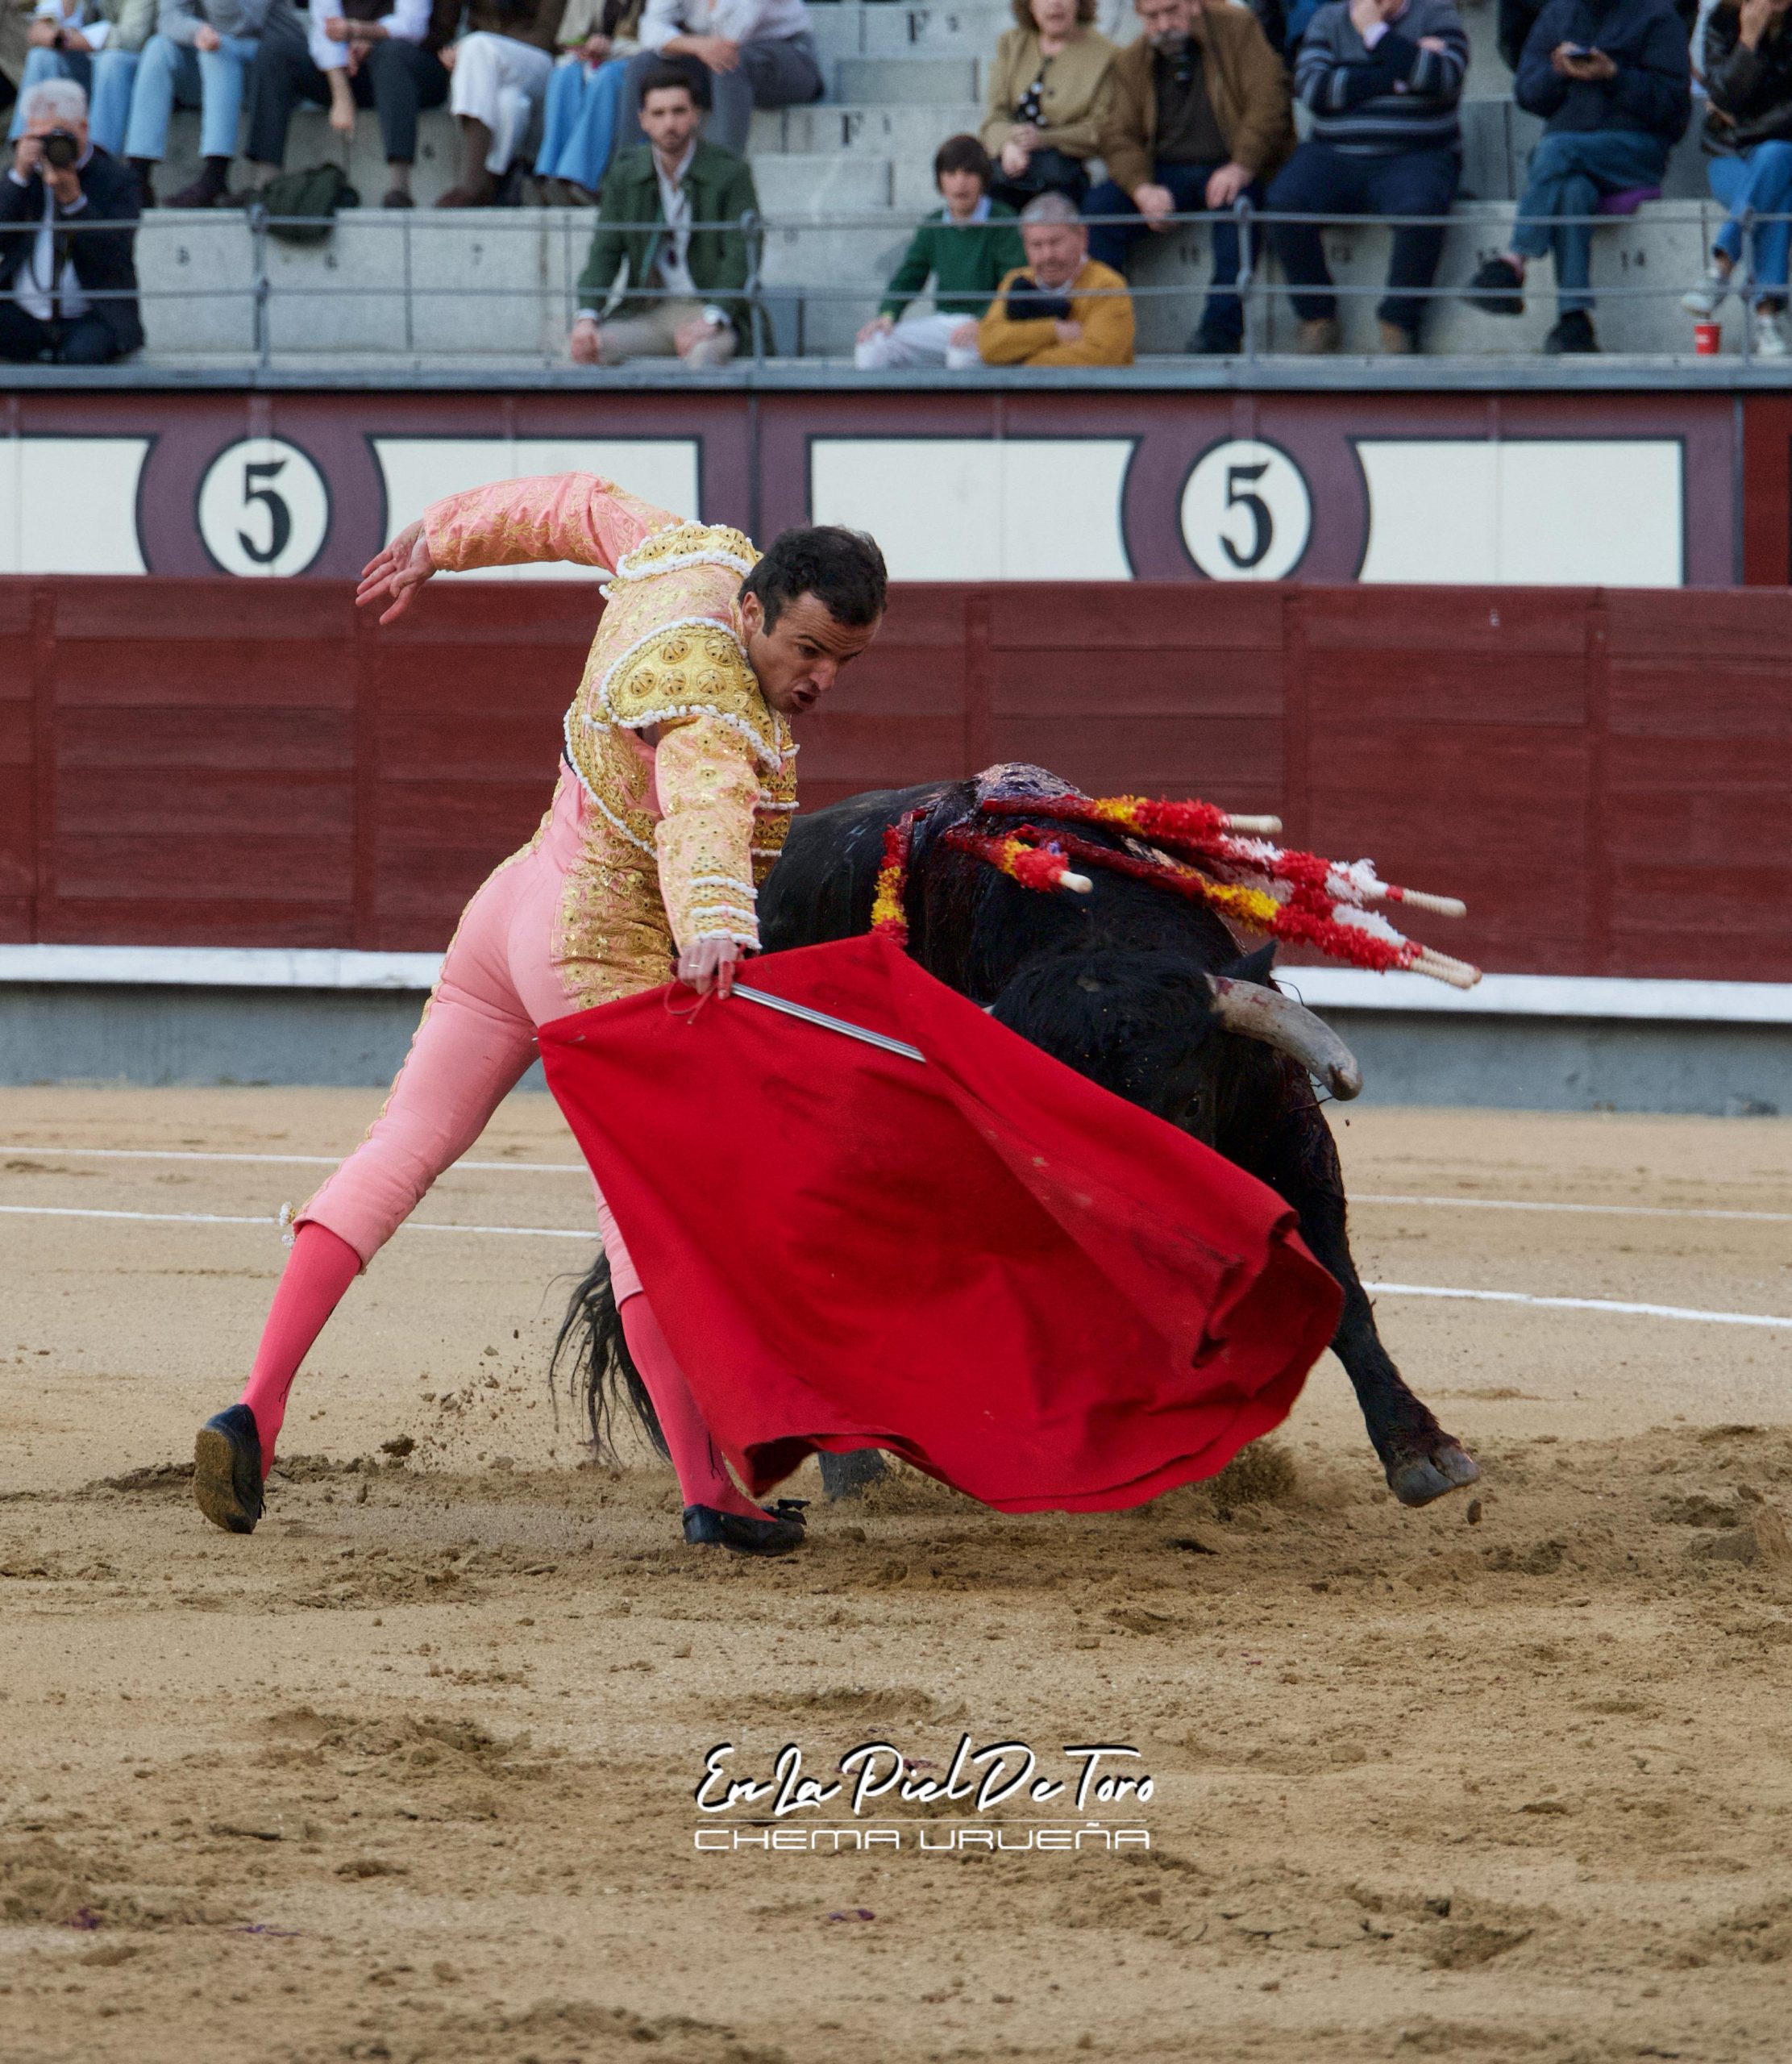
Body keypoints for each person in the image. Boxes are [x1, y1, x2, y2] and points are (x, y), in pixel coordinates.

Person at [191, 474, 888, 1558]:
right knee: (643, 1213)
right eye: (806, 651)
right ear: (753, 610)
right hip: (593, 947)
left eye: (842, 660)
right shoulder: (714, 705)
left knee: (400, 1147)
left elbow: (572, 504)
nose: (820, 679)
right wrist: (713, 922)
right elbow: (701, 806)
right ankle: (709, 1492)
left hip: (512, 901)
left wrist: (438, 537)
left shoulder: (680, 557)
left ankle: (254, 1413)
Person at [1464, 0, 1691, 352]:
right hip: (1567, 157)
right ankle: (1574, 321)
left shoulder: (1658, 15)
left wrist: (1614, 74)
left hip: (1634, 150)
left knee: (1554, 150)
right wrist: (1558, 71)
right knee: (1571, 191)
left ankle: (1514, 261)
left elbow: (1674, 111)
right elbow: (1527, 93)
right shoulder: (1558, 14)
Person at [1084, 0, 1291, 356]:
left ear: (1194, 4)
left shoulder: (1237, 28)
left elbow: (1268, 101)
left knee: (1238, 211)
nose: (1164, 24)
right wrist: (1142, 188)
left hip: (1230, 162)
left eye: (1172, 10)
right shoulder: (1132, 60)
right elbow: (1117, 135)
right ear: (1139, 15)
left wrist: (1241, 165)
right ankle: (1105, 327)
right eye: (1152, 16)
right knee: (1100, 210)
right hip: (1165, 172)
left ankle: (1219, 334)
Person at [1266, 0, 1469, 354]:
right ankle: (1316, 316)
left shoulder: (1438, 14)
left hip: (1417, 154)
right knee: (1284, 202)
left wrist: (1376, 35)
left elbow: (1443, 78)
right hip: (1334, 154)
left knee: (1420, 209)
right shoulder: (1328, 19)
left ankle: (1399, 320)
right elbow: (1313, 89)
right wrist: (1399, 74)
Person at [569, 61, 755, 364]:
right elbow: (605, 251)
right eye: (659, 113)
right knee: (585, 351)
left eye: (679, 111)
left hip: (709, 309)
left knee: (703, 356)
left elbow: (742, 257)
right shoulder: (626, 174)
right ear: (643, 120)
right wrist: (587, 316)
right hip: (649, 310)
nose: (669, 124)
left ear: (696, 114)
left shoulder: (730, 173)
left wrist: (712, 318)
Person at [240, 0, 451, 209]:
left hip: (413, 66)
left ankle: (400, 187)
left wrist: (363, 33)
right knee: (274, 53)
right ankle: (266, 183)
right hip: (346, 65)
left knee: (391, 53)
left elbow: (412, 25)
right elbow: (326, 28)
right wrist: (340, 92)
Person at [854, 132, 1025, 370]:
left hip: (992, 323)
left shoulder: (1002, 220)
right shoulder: (933, 224)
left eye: (969, 173)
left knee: (961, 356)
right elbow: (910, 275)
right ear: (940, 181)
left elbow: (1015, 282)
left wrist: (984, 321)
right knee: (872, 345)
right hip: (944, 323)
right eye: (951, 174)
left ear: (983, 179)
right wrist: (888, 314)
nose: (960, 183)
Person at [1, 73, 142, 357]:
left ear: (84, 129)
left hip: (92, 315)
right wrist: (18, 177)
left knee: (83, 356)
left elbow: (114, 254)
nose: (51, 148)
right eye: (40, 137)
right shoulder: (21, 178)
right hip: (24, 311)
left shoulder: (117, 180)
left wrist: (75, 202)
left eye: (59, 136)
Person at [1682, 0, 1792, 356]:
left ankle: (1720, 268)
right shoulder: (1722, 22)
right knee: (1778, 197)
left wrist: (1741, 122)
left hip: (1776, 155)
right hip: (1728, 156)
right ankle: (1766, 323)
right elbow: (1723, 93)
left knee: (1777, 155)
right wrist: (1748, 39)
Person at [620, 0, 819, 158]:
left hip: (787, 58)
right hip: (711, 54)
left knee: (728, 62)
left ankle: (720, 179)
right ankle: (629, 173)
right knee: (643, 64)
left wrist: (698, 45)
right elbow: (649, 29)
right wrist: (696, 45)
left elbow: (735, 31)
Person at [120, 0, 268, 207]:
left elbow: (240, 25)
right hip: (207, 58)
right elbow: (168, 18)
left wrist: (208, 35)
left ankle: (216, 175)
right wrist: (197, 31)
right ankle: (138, 177)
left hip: (262, 65)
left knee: (219, 47)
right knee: (158, 47)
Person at [979, 0, 1117, 211]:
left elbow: (1101, 130)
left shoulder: (1107, 55)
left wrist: (1044, 139)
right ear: (1029, 5)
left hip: (1066, 171)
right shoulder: (1011, 44)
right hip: (1009, 165)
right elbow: (994, 117)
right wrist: (1008, 144)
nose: (1055, 4)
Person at [977, 185, 1134, 363]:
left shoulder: (1108, 286)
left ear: (1082, 237)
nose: (1047, 255)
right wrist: (1055, 331)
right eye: (1037, 245)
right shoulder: (1016, 280)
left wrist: (1020, 361)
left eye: (1056, 242)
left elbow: (1099, 358)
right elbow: (988, 345)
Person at [434, 0, 566, 207]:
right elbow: (444, 25)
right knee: (511, 103)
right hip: (487, 62)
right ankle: (493, 181)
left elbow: (547, 35)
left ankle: (471, 183)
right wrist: (451, 53)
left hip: (540, 61)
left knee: (477, 47)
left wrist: (479, 50)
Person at [533, 0, 641, 199]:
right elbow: (568, 38)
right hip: (598, 61)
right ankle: (550, 176)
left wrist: (612, 48)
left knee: (606, 77)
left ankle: (581, 180)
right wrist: (580, 47)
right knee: (563, 75)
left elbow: (661, 39)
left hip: (639, 61)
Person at [7, 0, 151, 144]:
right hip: (86, 70)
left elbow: (131, 39)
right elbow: (43, 29)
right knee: (40, 56)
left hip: (132, 69)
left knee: (110, 61)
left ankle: (100, 153)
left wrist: (68, 38)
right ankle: (24, 147)